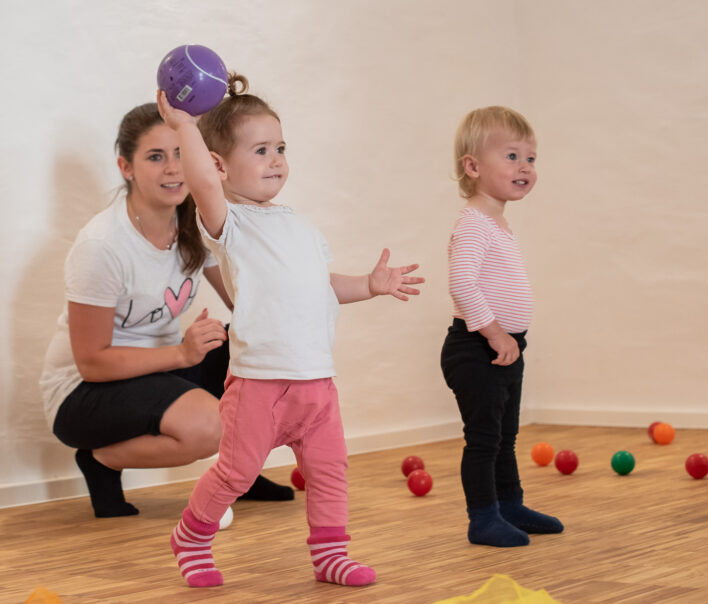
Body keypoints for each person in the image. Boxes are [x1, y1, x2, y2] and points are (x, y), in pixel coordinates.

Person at [157, 76, 424, 588]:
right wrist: (185, 128)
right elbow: (201, 184)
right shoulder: (230, 222)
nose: (276, 159)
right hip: (260, 384)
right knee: (235, 474)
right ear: (219, 164)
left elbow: (321, 287)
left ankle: (330, 555)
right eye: (260, 150)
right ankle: (191, 536)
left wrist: (368, 285)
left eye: (280, 148)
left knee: (330, 471)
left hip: (316, 383)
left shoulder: (301, 226)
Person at [39, 103, 293, 519]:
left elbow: (240, 297)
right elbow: (90, 363)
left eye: (179, 153)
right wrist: (183, 354)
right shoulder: (101, 247)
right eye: (156, 157)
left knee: (265, 341)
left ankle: (239, 472)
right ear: (126, 166)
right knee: (211, 425)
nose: (174, 169)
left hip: (158, 373)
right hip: (83, 394)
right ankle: (101, 460)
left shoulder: (192, 222)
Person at [441, 106, 563, 547]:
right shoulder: (474, 224)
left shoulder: (498, 223)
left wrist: (506, 339)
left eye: (531, 158)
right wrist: (494, 332)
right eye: (512, 156)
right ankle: (483, 517)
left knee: (505, 436)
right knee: (484, 439)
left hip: (506, 347)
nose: (525, 167)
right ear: (472, 167)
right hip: (476, 348)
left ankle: (509, 505)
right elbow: (462, 282)